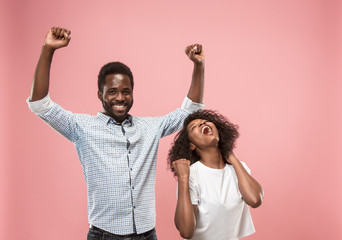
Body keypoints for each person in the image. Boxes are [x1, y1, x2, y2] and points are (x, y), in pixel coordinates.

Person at [27, 26, 205, 240]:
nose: (120, 97)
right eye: (112, 92)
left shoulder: (150, 128)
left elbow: (190, 109)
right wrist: (48, 49)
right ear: (99, 94)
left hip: (147, 235)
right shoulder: (82, 127)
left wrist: (199, 65)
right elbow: (40, 104)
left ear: (132, 93)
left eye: (125, 91)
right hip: (105, 235)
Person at [168, 110, 264, 240]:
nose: (202, 123)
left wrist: (232, 158)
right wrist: (183, 179)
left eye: (205, 121)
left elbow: (255, 200)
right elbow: (186, 231)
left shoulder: (239, 169)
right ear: (192, 145)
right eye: (194, 127)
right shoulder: (191, 175)